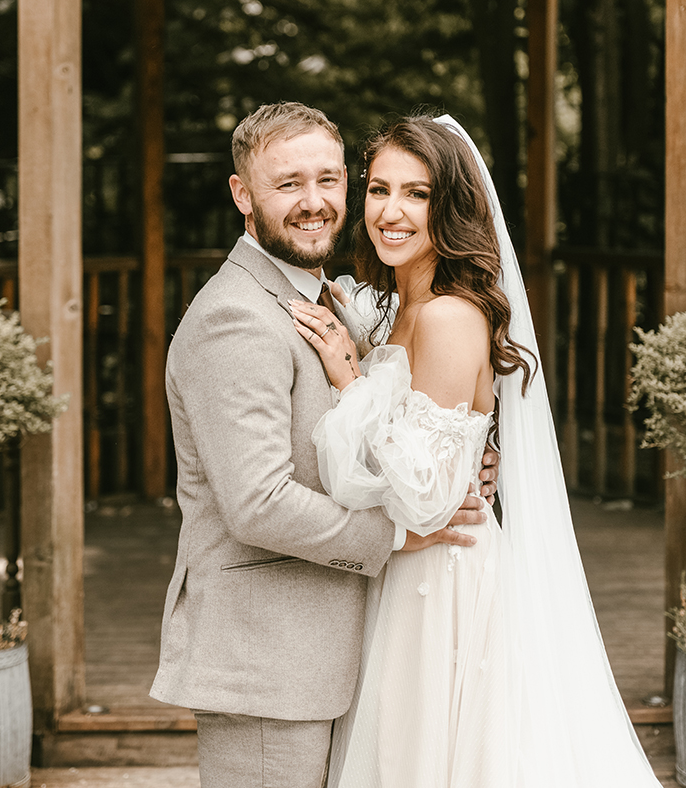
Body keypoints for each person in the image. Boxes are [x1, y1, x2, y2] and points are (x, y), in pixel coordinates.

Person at [291, 113, 663, 787]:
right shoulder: (391, 307)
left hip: (442, 579)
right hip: (404, 571)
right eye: (379, 189)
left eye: (417, 193)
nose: (391, 211)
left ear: (450, 207)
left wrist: (349, 379)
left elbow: (430, 495)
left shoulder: (448, 316)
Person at [150, 102, 499, 788]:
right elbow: (259, 503)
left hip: (343, 648)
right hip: (267, 664)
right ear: (242, 194)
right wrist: (402, 532)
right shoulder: (234, 318)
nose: (314, 202)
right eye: (288, 184)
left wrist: (460, 456)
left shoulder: (333, 303)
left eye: (329, 180)